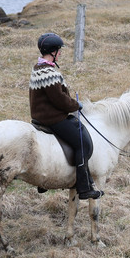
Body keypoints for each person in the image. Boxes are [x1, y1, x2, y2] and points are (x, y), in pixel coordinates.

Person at [28, 32, 103, 200]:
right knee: (81, 143)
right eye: (58, 50)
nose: (60, 53)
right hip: (52, 118)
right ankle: (84, 188)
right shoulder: (50, 73)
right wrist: (76, 105)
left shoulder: (37, 68)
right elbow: (59, 100)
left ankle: (44, 182)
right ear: (52, 51)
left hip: (40, 116)